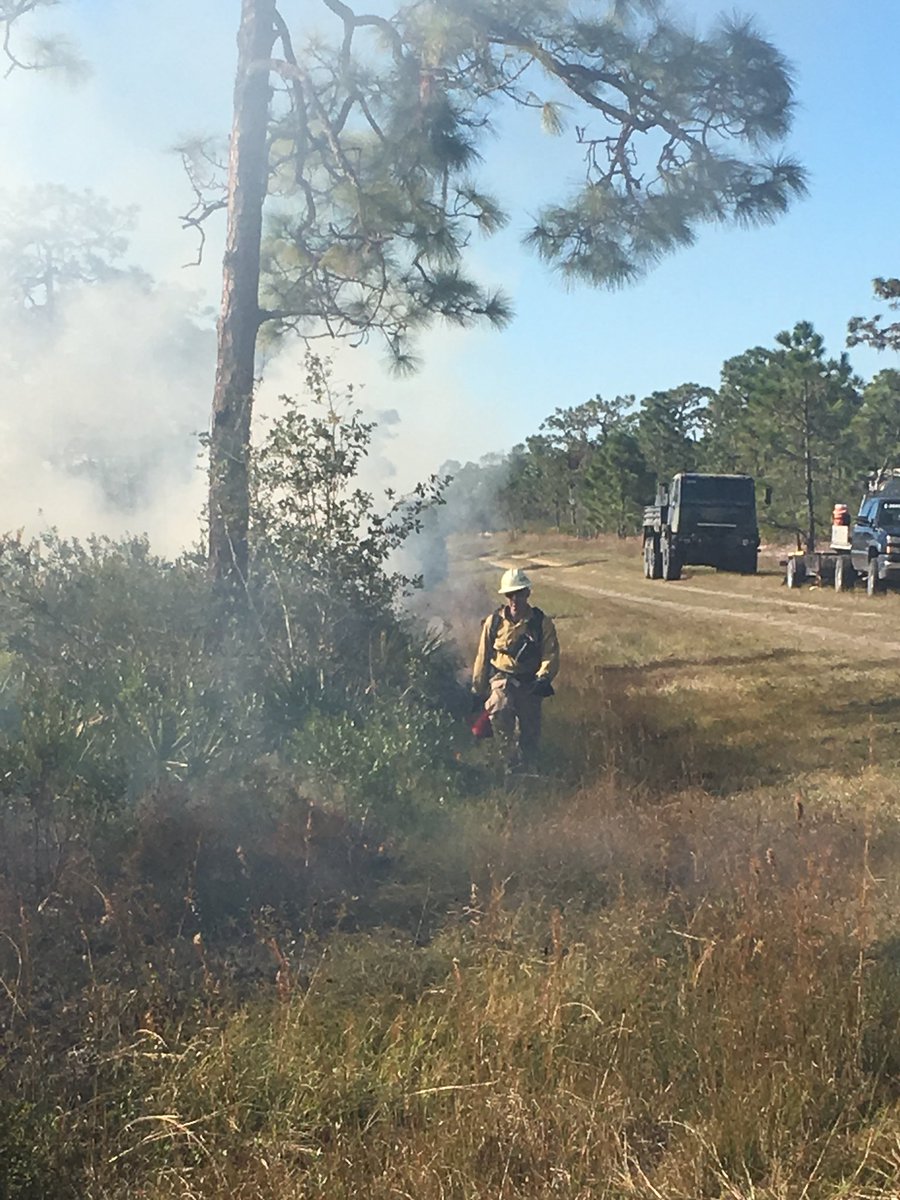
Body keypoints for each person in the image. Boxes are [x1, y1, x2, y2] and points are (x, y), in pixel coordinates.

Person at [471, 567, 560, 771]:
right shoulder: (494, 623)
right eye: (510, 595)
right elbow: (482, 657)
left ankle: (527, 770)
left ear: (527, 593)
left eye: (519, 594)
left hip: (530, 683)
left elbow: (550, 653)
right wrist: (477, 690)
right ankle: (505, 764)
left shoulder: (540, 623)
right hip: (501, 680)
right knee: (500, 711)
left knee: (530, 734)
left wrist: (543, 678)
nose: (515, 600)